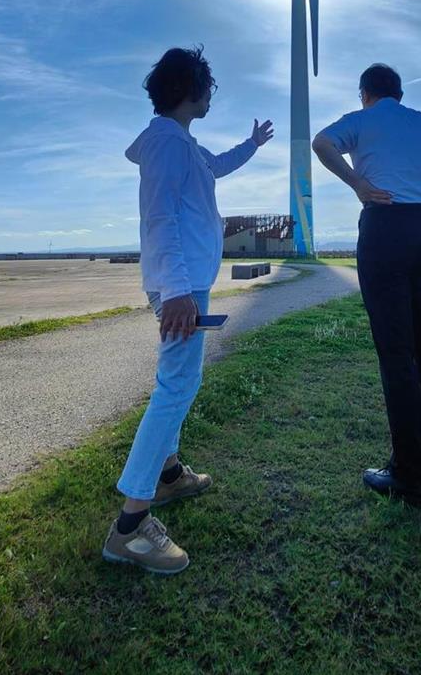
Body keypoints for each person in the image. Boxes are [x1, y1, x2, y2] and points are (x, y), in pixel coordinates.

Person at [103, 46, 273, 573]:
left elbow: (218, 166)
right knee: (176, 386)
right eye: (207, 87)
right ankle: (130, 526)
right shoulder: (166, 144)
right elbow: (160, 219)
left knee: (178, 381)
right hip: (179, 286)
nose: (211, 96)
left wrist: (252, 145)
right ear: (188, 89)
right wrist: (176, 290)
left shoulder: (184, 145)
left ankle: (169, 474)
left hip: (187, 283)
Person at [312, 63, 421, 506]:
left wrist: (357, 183)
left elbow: (321, 143)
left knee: (397, 352)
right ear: (400, 93)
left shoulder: (361, 120)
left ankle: (411, 473)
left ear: (365, 94)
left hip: (385, 224)